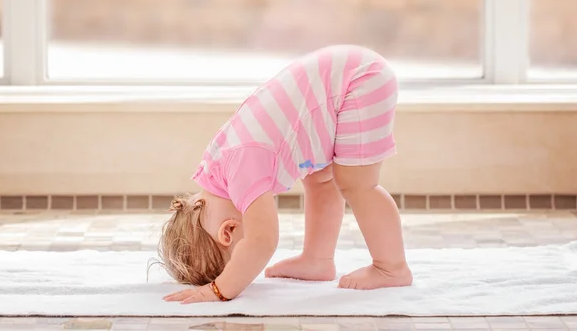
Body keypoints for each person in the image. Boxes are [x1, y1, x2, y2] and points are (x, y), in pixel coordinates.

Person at [158, 45, 413, 304]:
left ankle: (391, 266)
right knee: (320, 179)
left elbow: (262, 241)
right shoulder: (217, 166)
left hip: (359, 81)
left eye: (239, 262)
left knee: (356, 183)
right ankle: (317, 260)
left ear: (228, 232)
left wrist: (217, 290)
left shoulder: (240, 170)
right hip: (346, 77)